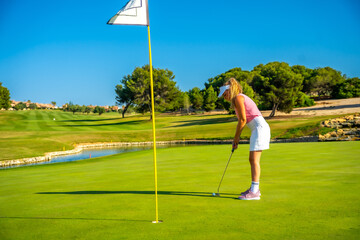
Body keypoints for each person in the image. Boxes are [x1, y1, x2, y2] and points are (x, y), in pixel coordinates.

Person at [218, 78, 271, 200]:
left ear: (229, 90)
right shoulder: (238, 98)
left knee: (254, 160)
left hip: (259, 128)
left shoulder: (238, 98)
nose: (224, 97)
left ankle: (254, 191)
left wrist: (236, 139)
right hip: (257, 128)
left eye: (224, 94)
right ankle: (254, 188)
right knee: (252, 160)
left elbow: (242, 120)